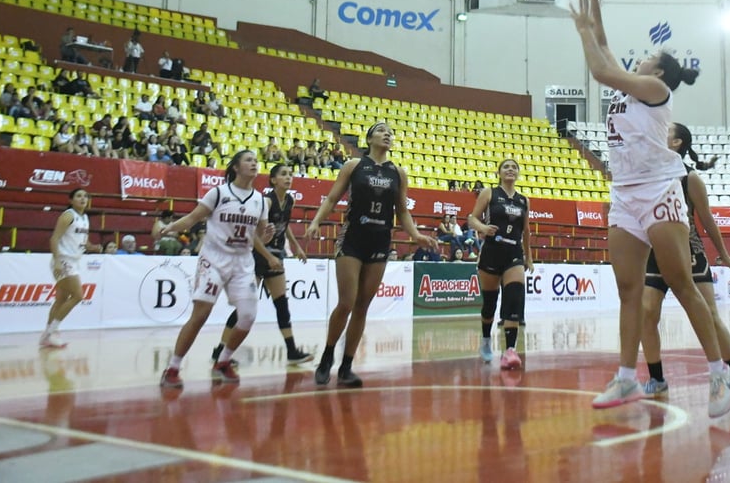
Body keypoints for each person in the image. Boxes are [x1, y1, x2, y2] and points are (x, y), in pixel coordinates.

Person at [570, 0, 730, 416]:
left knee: (682, 283)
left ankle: (720, 371)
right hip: (624, 192)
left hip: (659, 188)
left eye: (645, 56)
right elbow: (605, 48)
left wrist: (582, 29)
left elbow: (601, 66)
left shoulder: (656, 90)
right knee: (628, 290)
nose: (637, 59)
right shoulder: (632, 83)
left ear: (658, 71)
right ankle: (626, 379)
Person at [305, 121, 436, 387]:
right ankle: (327, 356)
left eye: (390, 131)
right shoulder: (354, 166)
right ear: (369, 139)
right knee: (346, 302)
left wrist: (416, 235)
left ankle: (347, 366)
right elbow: (331, 199)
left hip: (380, 241)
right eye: (381, 131)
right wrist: (316, 221)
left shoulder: (397, 173)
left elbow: (402, 211)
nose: (387, 134)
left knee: (363, 306)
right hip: (353, 237)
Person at [640, 123, 730, 406]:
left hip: (688, 251)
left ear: (677, 143)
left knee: (708, 314)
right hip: (655, 252)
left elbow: (706, 220)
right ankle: (656, 379)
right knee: (647, 313)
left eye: (667, 132)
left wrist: (725, 254)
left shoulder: (690, 178)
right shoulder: (648, 174)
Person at [159, 151, 273, 389]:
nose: (254, 163)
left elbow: (257, 236)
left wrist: (265, 237)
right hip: (214, 258)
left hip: (242, 262)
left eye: (255, 160)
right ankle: (173, 367)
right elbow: (191, 219)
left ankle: (223, 361)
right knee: (200, 315)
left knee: (248, 315)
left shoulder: (261, 201)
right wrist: (169, 227)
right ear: (235, 167)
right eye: (248, 160)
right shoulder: (219, 193)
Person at [213, 163, 312, 366]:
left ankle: (292, 351)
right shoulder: (266, 202)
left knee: (282, 305)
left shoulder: (289, 200)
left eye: (290, 174)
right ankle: (221, 349)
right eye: (283, 174)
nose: (288, 177)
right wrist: (267, 257)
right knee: (245, 307)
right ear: (273, 180)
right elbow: (254, 235)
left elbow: (285, 227)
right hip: (259, 257)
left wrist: (296, 246)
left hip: (276, 255)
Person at [467, 158, 533, 371]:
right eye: (506, 167)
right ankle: (486, 339)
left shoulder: (524, 200)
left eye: (514, 167)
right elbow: (472, 219)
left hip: (514, 253)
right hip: (491, 252)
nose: (510, 170)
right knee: (490, 304)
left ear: (518, 173)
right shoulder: (489, 193)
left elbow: (526, 231)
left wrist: (528, 257)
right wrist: (483, 228)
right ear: (499, 173)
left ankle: (510, 350)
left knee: (513, 299)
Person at [40, 188, 98, 348]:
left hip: (74, 260)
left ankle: (47, 335)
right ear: (71, 200)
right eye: (79, 196)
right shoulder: (68, 215)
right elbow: (55, 238)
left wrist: (93, 247)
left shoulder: (85, 218)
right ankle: (51, 332)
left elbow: (83, 242)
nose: (83, 198)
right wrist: (57, 260)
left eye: (86, 196)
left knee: (61, 299)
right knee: (78, 296)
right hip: (64, 260)